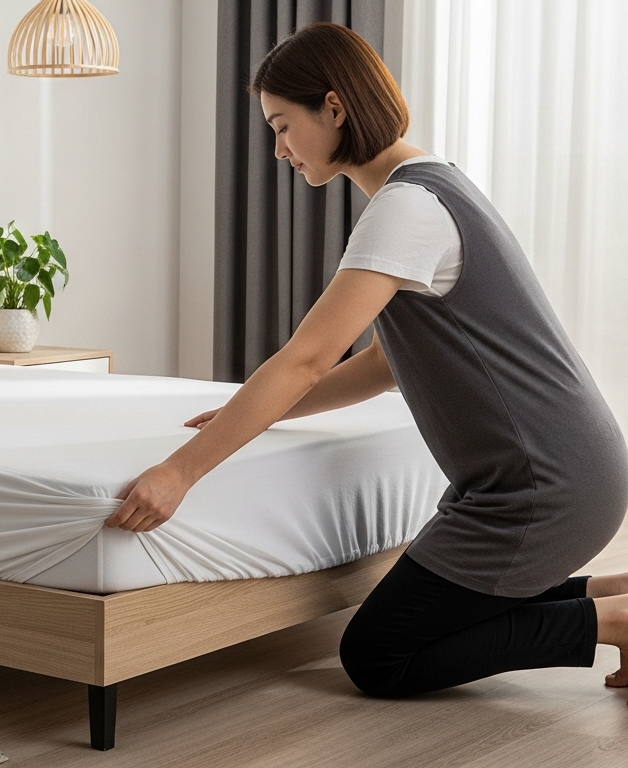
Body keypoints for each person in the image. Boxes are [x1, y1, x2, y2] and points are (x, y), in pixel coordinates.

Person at [104, 21, 628, 699]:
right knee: (425, 620)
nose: (278, 150)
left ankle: (613, 618)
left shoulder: (406, 207)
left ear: (334, 107)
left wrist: (179, 472)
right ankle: (611, 595)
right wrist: (252, 414)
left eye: (282, 125)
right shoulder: (432, 187)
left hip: (542, 489)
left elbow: (308, 356)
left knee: (381, 654)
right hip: (568, 472)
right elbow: (387, 363)